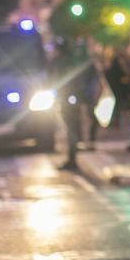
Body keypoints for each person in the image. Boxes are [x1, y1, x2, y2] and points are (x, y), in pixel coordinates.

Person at [52, 37, 92, 170]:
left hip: (69, 99)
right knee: (71, 129)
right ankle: (71, 158)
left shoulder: (63, 63)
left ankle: (72, 159)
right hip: (70, 98)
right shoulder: (69, 61)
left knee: (71, 129)